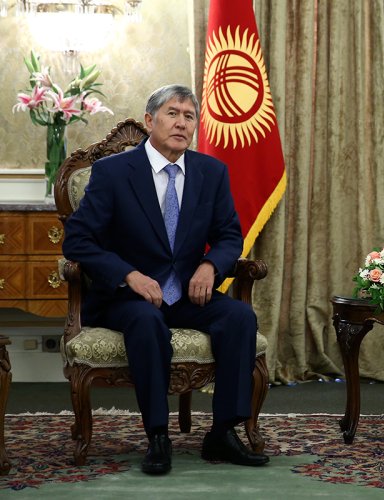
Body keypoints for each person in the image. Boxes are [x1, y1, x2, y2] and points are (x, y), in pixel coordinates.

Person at [62, 84, 269, 474]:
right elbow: (78, 240)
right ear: (150, 120)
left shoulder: (211, 172)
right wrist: (128, 275)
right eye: (172, 113)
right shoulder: (113, 172)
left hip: (188, 293)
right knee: (146, 322)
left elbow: (229, 236)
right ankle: (158, 436)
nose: (181, 123)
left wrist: (210, 266)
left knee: (240, 317)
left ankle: (223, 432)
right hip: (128, 297)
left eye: (189, 116)